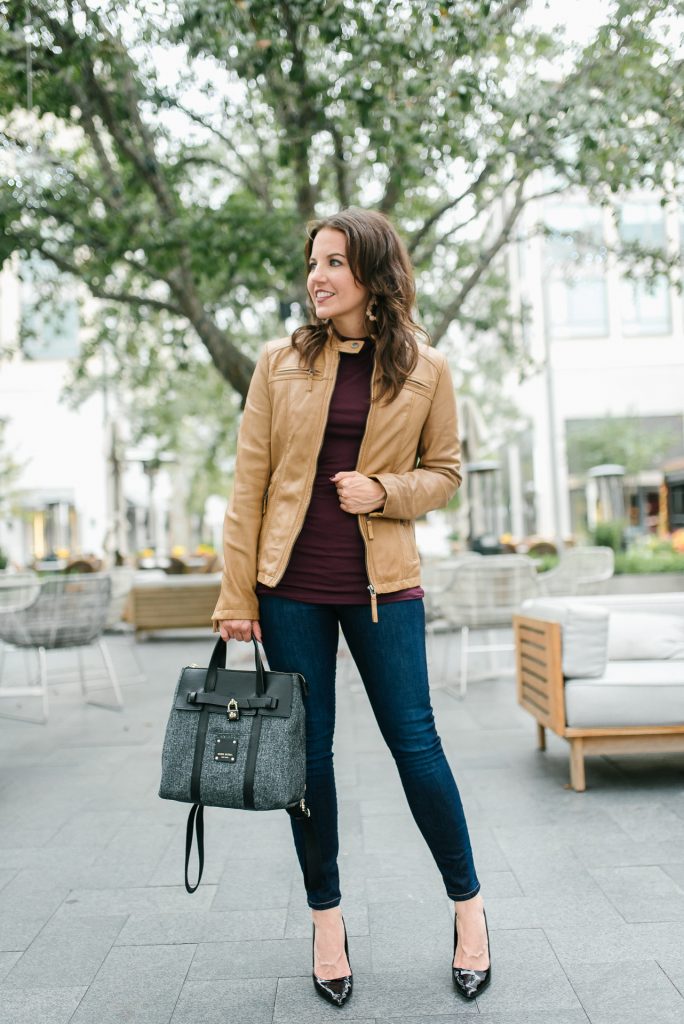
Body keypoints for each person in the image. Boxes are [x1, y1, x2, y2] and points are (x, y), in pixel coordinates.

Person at [212, 207, 491, 1006]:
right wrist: (238, 596)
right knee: (310, 759)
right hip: (290, 587)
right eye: (313, 263)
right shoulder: (279, 364)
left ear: (372, 273)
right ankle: (326, 919)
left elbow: (445, 471)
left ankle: (468, 907)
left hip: (384, 586)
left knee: (416, 745)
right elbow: (249, 486)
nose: (318, 276)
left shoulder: (426, 369)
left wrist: (385, 491)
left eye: (335, 261)